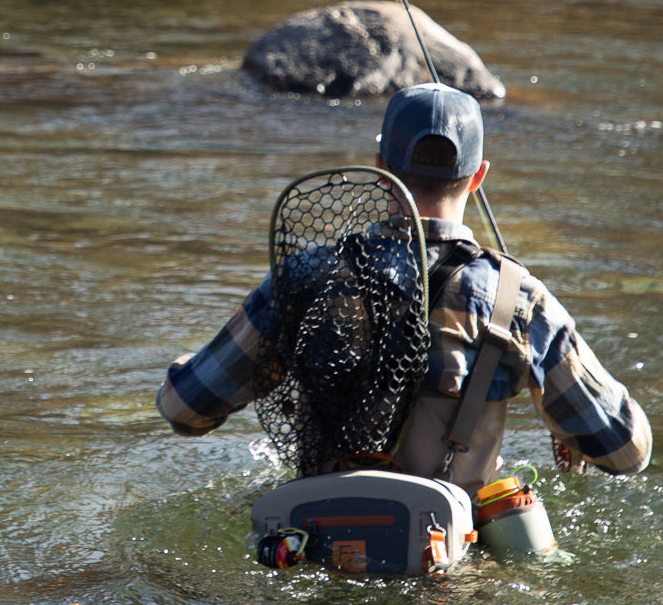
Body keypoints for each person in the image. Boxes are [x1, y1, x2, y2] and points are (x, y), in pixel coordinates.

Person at [157, 82, 653, 494]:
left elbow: (185, 409)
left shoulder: (307, 278)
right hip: (445, 568)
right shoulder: (518, 300)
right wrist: (563, 422)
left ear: (381, 166)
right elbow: (624, 451)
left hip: (314, 543)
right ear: (478, 177)